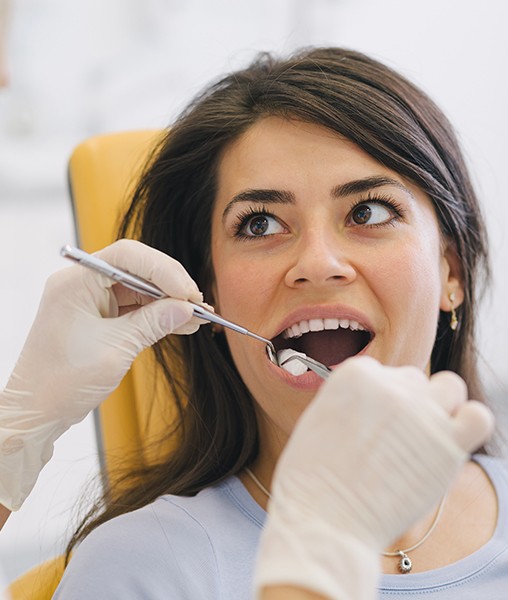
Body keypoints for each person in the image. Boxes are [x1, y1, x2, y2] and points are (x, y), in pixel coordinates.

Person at [0, 46, 504, 598]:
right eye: (260, 224)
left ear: (450, 272)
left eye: (368, 212)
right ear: (208, 294)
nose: (316, 263)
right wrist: (11, 437)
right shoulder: (141, 568)